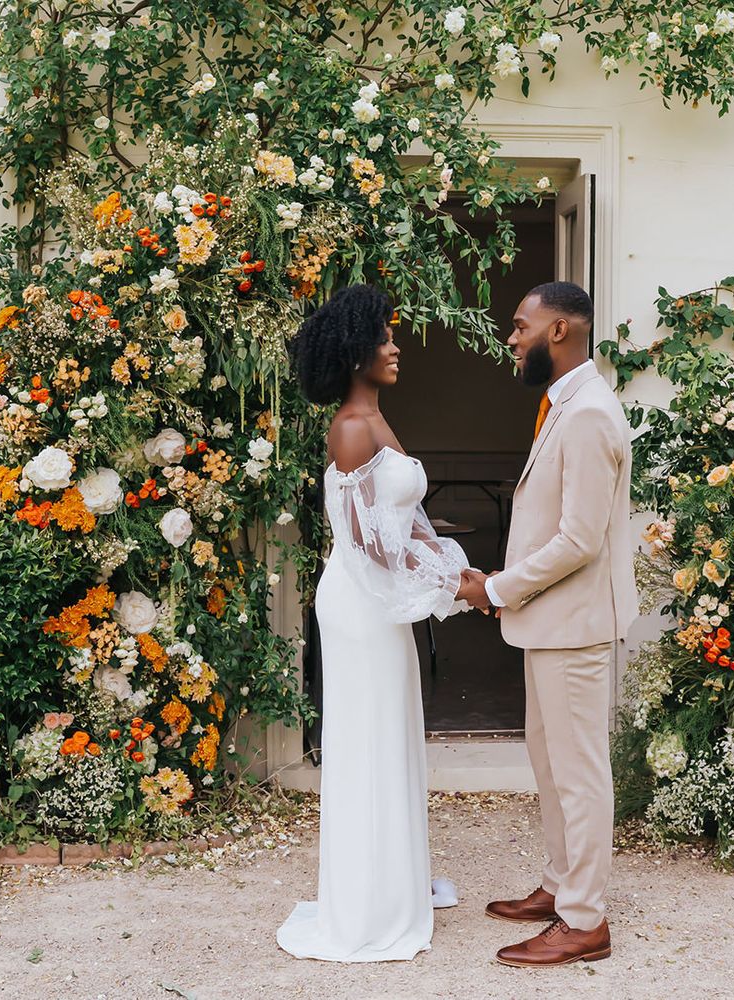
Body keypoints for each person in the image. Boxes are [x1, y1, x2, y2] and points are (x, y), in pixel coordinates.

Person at [276, 284, 481, 963]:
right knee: (368, 739)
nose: (396, 348)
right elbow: (373, 548)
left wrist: (456, 572)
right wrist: (457, 583)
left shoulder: (374, 418)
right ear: (354, 350)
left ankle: (392, 883)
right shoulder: (353, 428)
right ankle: (365, 906)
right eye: (384, 338)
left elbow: (405, 528)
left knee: (388, 733)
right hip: (359, 603)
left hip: (372, 597)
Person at [459, 281, 639, 968]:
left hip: (574, 625)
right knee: (550, 762)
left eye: (520, 325)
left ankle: (585, 921)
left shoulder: (590, 412)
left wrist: (497, 588)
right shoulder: (563, 404)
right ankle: (563, 885)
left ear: (559, 330)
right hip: (549, 623)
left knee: (579, 772)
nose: (512, 337)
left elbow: (579, 541)